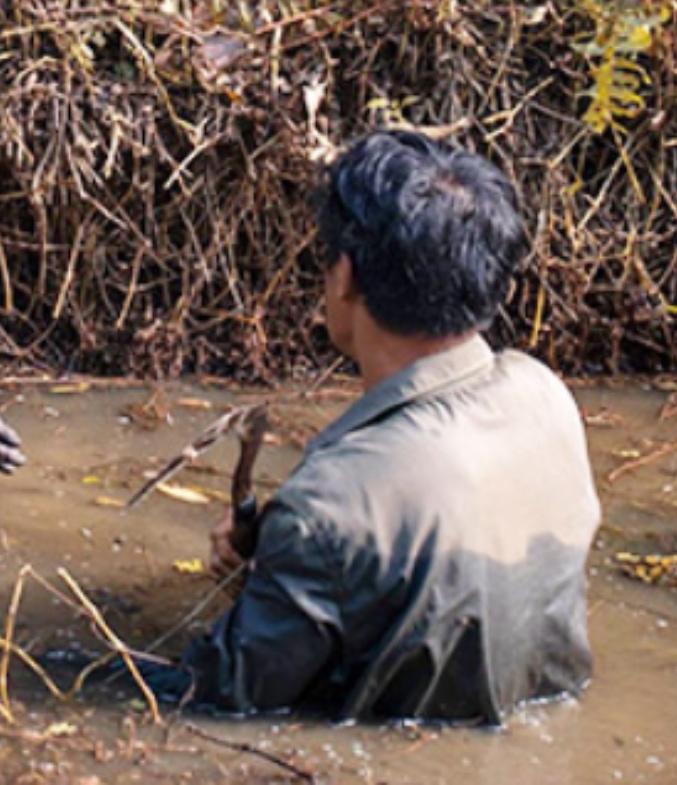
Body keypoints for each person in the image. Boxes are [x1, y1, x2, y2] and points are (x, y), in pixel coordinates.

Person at [139, 129, 601, 723]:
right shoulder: (546, 395)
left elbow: (217, 701)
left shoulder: (331, 506)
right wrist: (277, 571)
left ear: (346, 275)